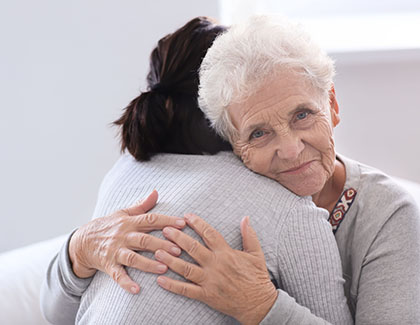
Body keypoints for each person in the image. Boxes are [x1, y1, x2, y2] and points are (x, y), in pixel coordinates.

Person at [40, 17, 352, 324]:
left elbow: (56, 314)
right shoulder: (286, 208)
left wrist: (76, 250)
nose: (290, 149)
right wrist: (262, 306)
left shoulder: (124, 172)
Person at [154, 15, 420, 324]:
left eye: (302, 115)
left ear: (332, 105)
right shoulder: (223, 204)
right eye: (259, 133)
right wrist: (81, 252)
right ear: (234, 145)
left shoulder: (392, 216)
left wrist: (261, 307)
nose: (292, 149)